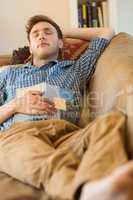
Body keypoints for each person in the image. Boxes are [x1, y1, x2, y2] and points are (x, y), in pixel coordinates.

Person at [0, 15, 132, 200]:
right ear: (29, 47)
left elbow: (106, 32)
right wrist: (14, 105)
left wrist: (62, 30)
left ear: (61, 43)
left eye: (48, 33)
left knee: (112, 121)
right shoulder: (8, 74)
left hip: (67, 134)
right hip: (19, 134)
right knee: (22, 149)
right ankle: (86, 192)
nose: (41, 36)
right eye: (35, 34)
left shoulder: (77, 69)